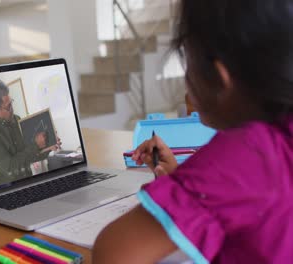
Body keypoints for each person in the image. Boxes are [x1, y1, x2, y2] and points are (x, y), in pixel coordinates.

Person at [93, 0, 293, 263]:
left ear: (220, 79)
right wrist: (182, 183)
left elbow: (113, 255)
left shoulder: (246, 153)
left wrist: (191, 187)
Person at [0, 79, 60, 185]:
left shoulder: (17, 119)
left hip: (28, 182)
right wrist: (36, 145)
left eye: (11, 103)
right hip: (9, 190)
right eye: (8, 106)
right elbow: (10, 167)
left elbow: (30, 156)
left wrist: (48, 147)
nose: (12, 109)